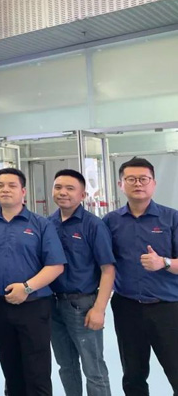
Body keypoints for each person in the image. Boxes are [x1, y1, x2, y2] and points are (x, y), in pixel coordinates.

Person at [0, 168, 66, 396]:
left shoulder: (40, 224)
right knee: (11, 372)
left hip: (33, 306)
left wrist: (26, 288)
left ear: (23, 191)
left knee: (37, 373)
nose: (5, 190)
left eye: (12, 185)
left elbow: (56, 265)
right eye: (0, 185)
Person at [103, 157, 178, 395]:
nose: (138, 184)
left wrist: (163, 262)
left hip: (167, 307)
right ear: (120, 184)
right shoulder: (110, 221)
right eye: (131, 179)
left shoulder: (172, 218)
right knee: (133, 375)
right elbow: (104, 264)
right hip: (127, 308)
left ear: (153, 183)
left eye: (144, 179)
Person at [49, 169, 114, 396]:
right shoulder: (47, 224)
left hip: (83, 305)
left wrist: (99, 309)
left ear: (83, 195)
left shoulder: (94, 225)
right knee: (66, 366)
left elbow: (108, 270)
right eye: (58, 187)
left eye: (70, 188)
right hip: (53, 305)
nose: (63, 192)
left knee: (93, 368)